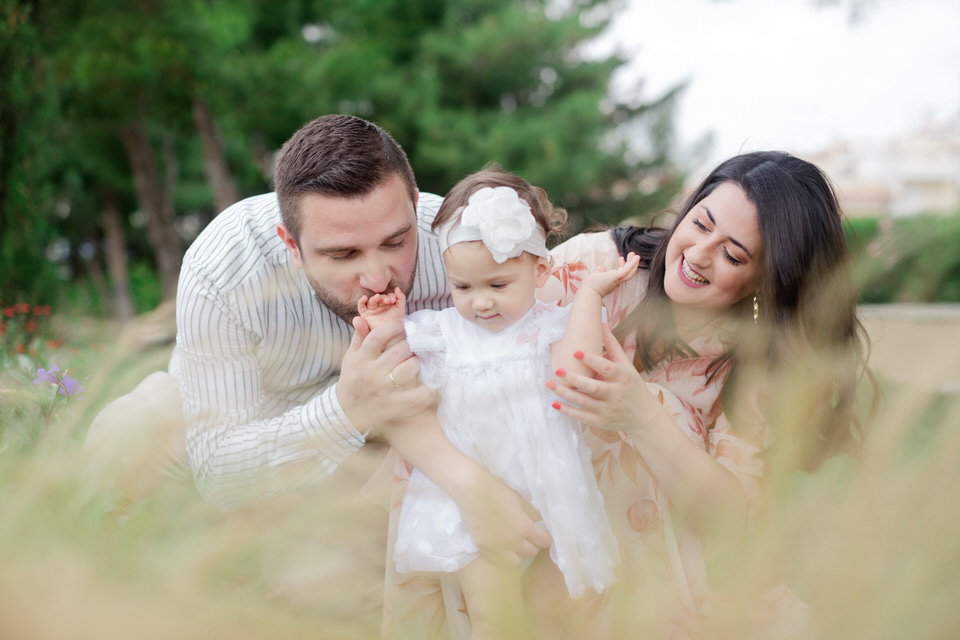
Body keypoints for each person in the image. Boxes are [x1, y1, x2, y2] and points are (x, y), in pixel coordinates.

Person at [85, 114, 553, 572]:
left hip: (390, 444)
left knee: (325, 572)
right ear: (290, 244)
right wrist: (347, 407)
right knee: (127, 432)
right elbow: (221, 474)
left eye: (395, 242)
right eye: (343, 254)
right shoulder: (224, 267)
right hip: (248, 428)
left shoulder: (455, 237)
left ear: (413, 204)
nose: (376, 277)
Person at [539, 151, 877, 637]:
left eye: (733, 254)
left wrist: (642, 415)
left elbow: (731, 518)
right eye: (700, 224)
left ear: (767, 279)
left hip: (644, 573)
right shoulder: (597, 266)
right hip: (528, 514)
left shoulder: (760, 359)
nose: (697, 254)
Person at [357, 167, 635, 639]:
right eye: (463, 287)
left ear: (540, 271)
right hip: (468, 502)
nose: (480, 303)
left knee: (557, 611)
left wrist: (589, 295)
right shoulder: (445, 331)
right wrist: (387, 322)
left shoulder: (549, 325)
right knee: (491, 616)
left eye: (498, 285)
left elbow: (576, 368)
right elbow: (389, 368)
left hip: (548, 491)